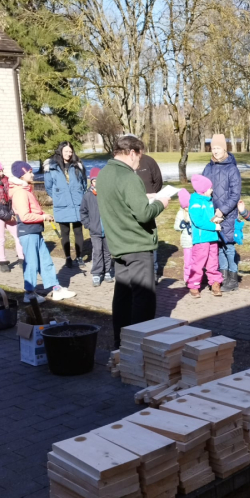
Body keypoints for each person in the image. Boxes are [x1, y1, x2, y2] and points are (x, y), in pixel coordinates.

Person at [97, 135, 170, 348]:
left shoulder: (104, 174)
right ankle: (139, 344)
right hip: (137, 245)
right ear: (132, 153)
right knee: (143, 298)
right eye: (139, 156)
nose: (140, 162)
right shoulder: (129, 177)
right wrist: (161, 203)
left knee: (123, 296)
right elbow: (144, 214)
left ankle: (120, 342)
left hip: (118, 244)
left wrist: (144, 198)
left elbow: (121, 203)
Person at [10, 162, 76, 303]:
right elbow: (25, 216)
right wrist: (43, 217)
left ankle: (56, 289)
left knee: (46, 261)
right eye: (29, 172)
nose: (32, 174)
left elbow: (31, 211)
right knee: (31, 263)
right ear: (21, 175)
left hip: (35, 231)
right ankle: (29, 294)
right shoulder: (20, 192)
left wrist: (42, 214)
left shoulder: (26, 189)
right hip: (28, 232)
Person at [203, 134, 241, 291]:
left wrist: (223, 210)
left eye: (218, 148)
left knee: (229, 247)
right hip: (212, 214)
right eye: (213, 148)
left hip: (228, 214)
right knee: (218, 246)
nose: (215, 151)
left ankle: (233, 278)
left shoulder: (232, 169)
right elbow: (202, 188)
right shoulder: (208, 168)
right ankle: (223, 276)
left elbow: (235, 194)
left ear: (224, 149)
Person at [44, 141, 87, 269]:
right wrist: (59, 197)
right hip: (62, 205)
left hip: (77, 203)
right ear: (60, 151)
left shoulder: (78, 165)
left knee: (78, 231)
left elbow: (84, 184)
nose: (68, 154)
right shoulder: (52, 167)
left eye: (70, 151)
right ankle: (68, 257)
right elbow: (48, 186)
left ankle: (79, 257)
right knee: (65, 232)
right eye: (66, 151)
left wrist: (79, 195)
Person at [187, 174, 223, 298]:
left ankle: (215, 282)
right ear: (203, 189)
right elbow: (198, 221)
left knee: (213, 261)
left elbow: (209, 218)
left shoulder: (208, 201)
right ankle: (194, 285)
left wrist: (216, 219)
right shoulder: (195, 202)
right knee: (198, 262)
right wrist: (214, 226)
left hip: (212, 237)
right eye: (210, 188)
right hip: (201, 238)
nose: (212, 190)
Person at [80, 167, 112, 287]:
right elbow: (83, 212)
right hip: (95, 230)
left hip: (107, 230)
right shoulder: (88, 196)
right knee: (97, 251)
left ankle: (107, 271)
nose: (97, 183)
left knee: (108, 252)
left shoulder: (107, 194)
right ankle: (97, 273)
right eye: (94, 180)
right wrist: (89, 225)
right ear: (91, 182)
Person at [136, 152, 165, 283]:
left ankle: (153, 270)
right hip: (132, 206)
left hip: (149, 204)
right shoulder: (126, 163)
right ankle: (139, 270)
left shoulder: (148, 161)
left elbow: (158, 180)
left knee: (150, 235)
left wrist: (152, 195)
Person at [173, 188, 194, 287]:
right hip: (187, 242)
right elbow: (176, 227)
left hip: (195, 241)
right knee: (188, 262)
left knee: (196, 261)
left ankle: (196, 278)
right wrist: (183, 224)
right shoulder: (180, 213)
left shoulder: (193, 211)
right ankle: (187, 278)